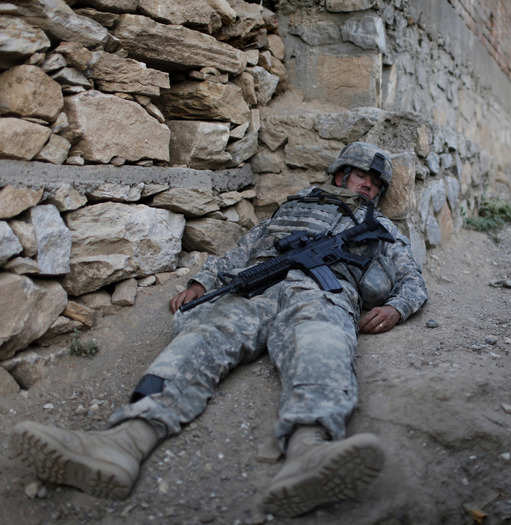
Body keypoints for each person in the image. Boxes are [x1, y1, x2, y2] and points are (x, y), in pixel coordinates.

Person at [11, 142, 428, 517]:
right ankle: (123, 442)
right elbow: (244, 249)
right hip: (258, 285)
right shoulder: (293, 207)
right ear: (341, 174)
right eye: (362, 176)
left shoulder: (382, 229)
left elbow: (413, 281)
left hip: (321, 293)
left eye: (376, 183)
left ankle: (310, 450)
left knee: (322, 344)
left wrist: (395, 308)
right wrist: (204, 281)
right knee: (200, 337)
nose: (368, 186)